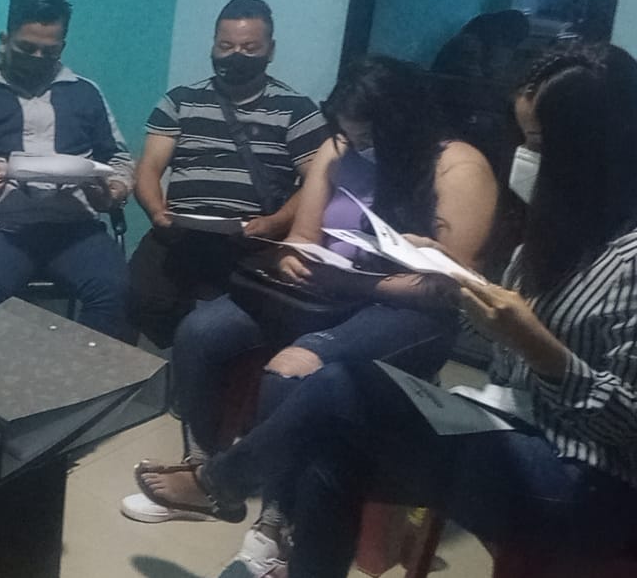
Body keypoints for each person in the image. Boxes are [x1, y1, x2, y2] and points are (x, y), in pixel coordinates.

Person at [139, 43, 637, 578]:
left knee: (330, 387)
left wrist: (537, 347)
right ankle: (255, 519)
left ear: (593, 147)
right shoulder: (551, 239)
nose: (522, 156)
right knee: (335, 432)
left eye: (536, 142)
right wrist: (461, 279)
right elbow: (499, 344)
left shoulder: (626, 255)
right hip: (506, 416)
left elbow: (625, 422)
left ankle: (221, 483)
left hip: (585, 477)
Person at [125, 56, 498, 566]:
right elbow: (302, 236)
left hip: (407, 312)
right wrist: (294, 259)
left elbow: (451, 285)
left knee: (292, 369)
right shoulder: (337, 149)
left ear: (404, 121)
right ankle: (202, 471)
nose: (358, 146)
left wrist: (359, 281)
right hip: (323, 292)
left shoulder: (458, 167)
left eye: (368, 137)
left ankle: (273, 522)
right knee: (200, 331)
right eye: (350, 134)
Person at [0, 0, 133, 339]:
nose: (37, 58)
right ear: (5, 39)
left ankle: (86, 373)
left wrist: (113, 191)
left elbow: (119, 158)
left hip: (74, 226)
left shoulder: (85, 93)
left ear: (63, 46)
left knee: (116, 288)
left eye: (49, 51)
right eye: (26, 48)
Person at [128, 0, 327, 349]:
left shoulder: (297, 109)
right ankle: (156, 364)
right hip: (180, 232)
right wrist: (156, 212)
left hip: (253, 238)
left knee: (241, 322)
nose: (236, 55)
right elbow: (149, 167)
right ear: (213, 46)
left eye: (249, 48)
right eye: (226, 46)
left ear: (270, 50)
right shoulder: (180, 101)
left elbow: (318, 182)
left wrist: (276, 222)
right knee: (132, 294)